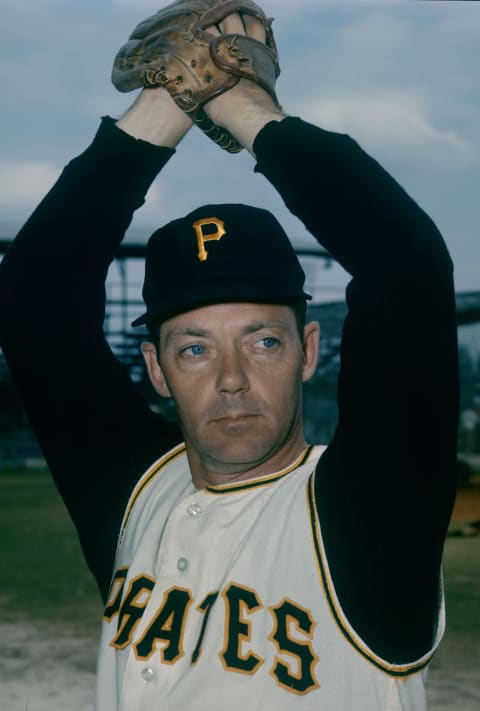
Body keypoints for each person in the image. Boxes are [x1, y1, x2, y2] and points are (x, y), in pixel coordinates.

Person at [0, 7, 459, 711]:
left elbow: (407, 267)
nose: (231, 377)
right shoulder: (133, 495)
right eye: (193, 347)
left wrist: (238, 99)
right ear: (157, 369)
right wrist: (170, 93)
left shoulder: (367, 509)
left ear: (307, 351)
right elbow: (33, 296)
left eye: (262, 339)